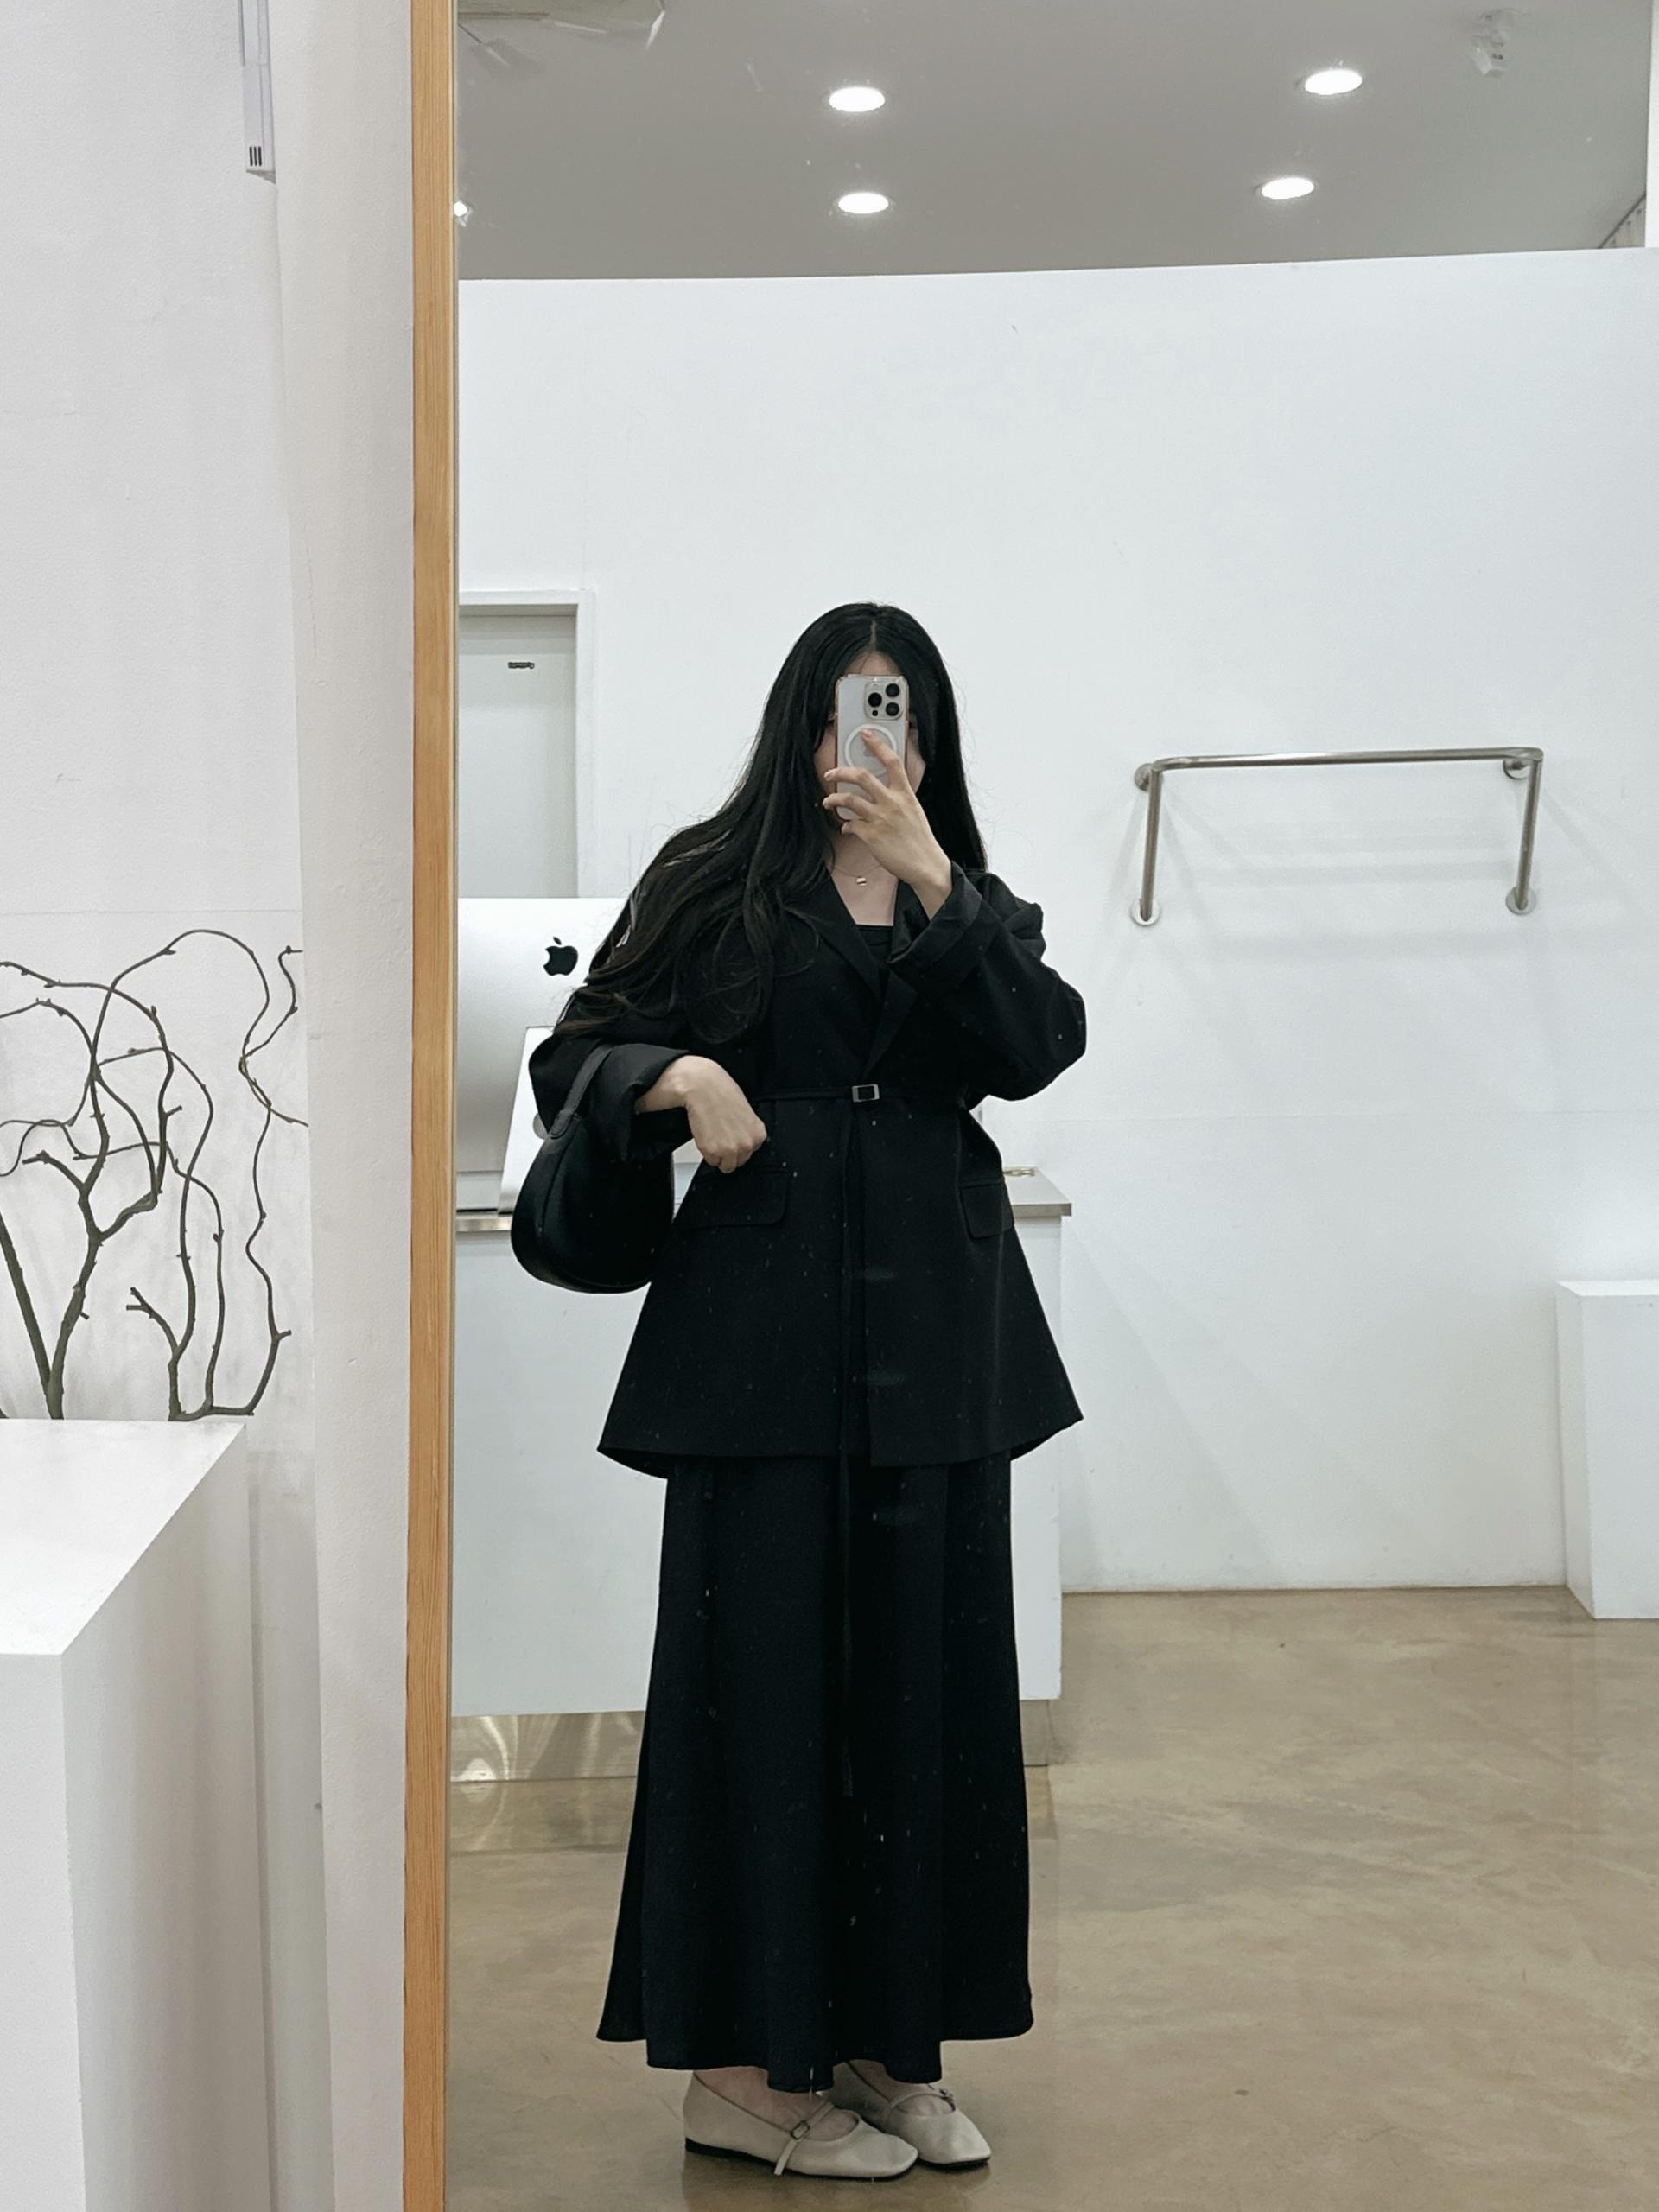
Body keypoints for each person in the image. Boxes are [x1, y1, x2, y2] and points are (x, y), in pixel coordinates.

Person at [529, 601, 1087, 2180]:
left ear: (929, 735)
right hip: (758, 1354)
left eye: (900, 709)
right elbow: (573, 1059)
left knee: (927, 1703)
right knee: (758, 1703)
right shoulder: (712, 881)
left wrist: (934, 881)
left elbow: (1039, 1047)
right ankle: (740, 2077)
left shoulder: (970, 896)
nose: (875, 736)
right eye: (853, 704)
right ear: (804, 720)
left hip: (939, 1354)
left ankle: (894, 2049)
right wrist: (679, 1074)